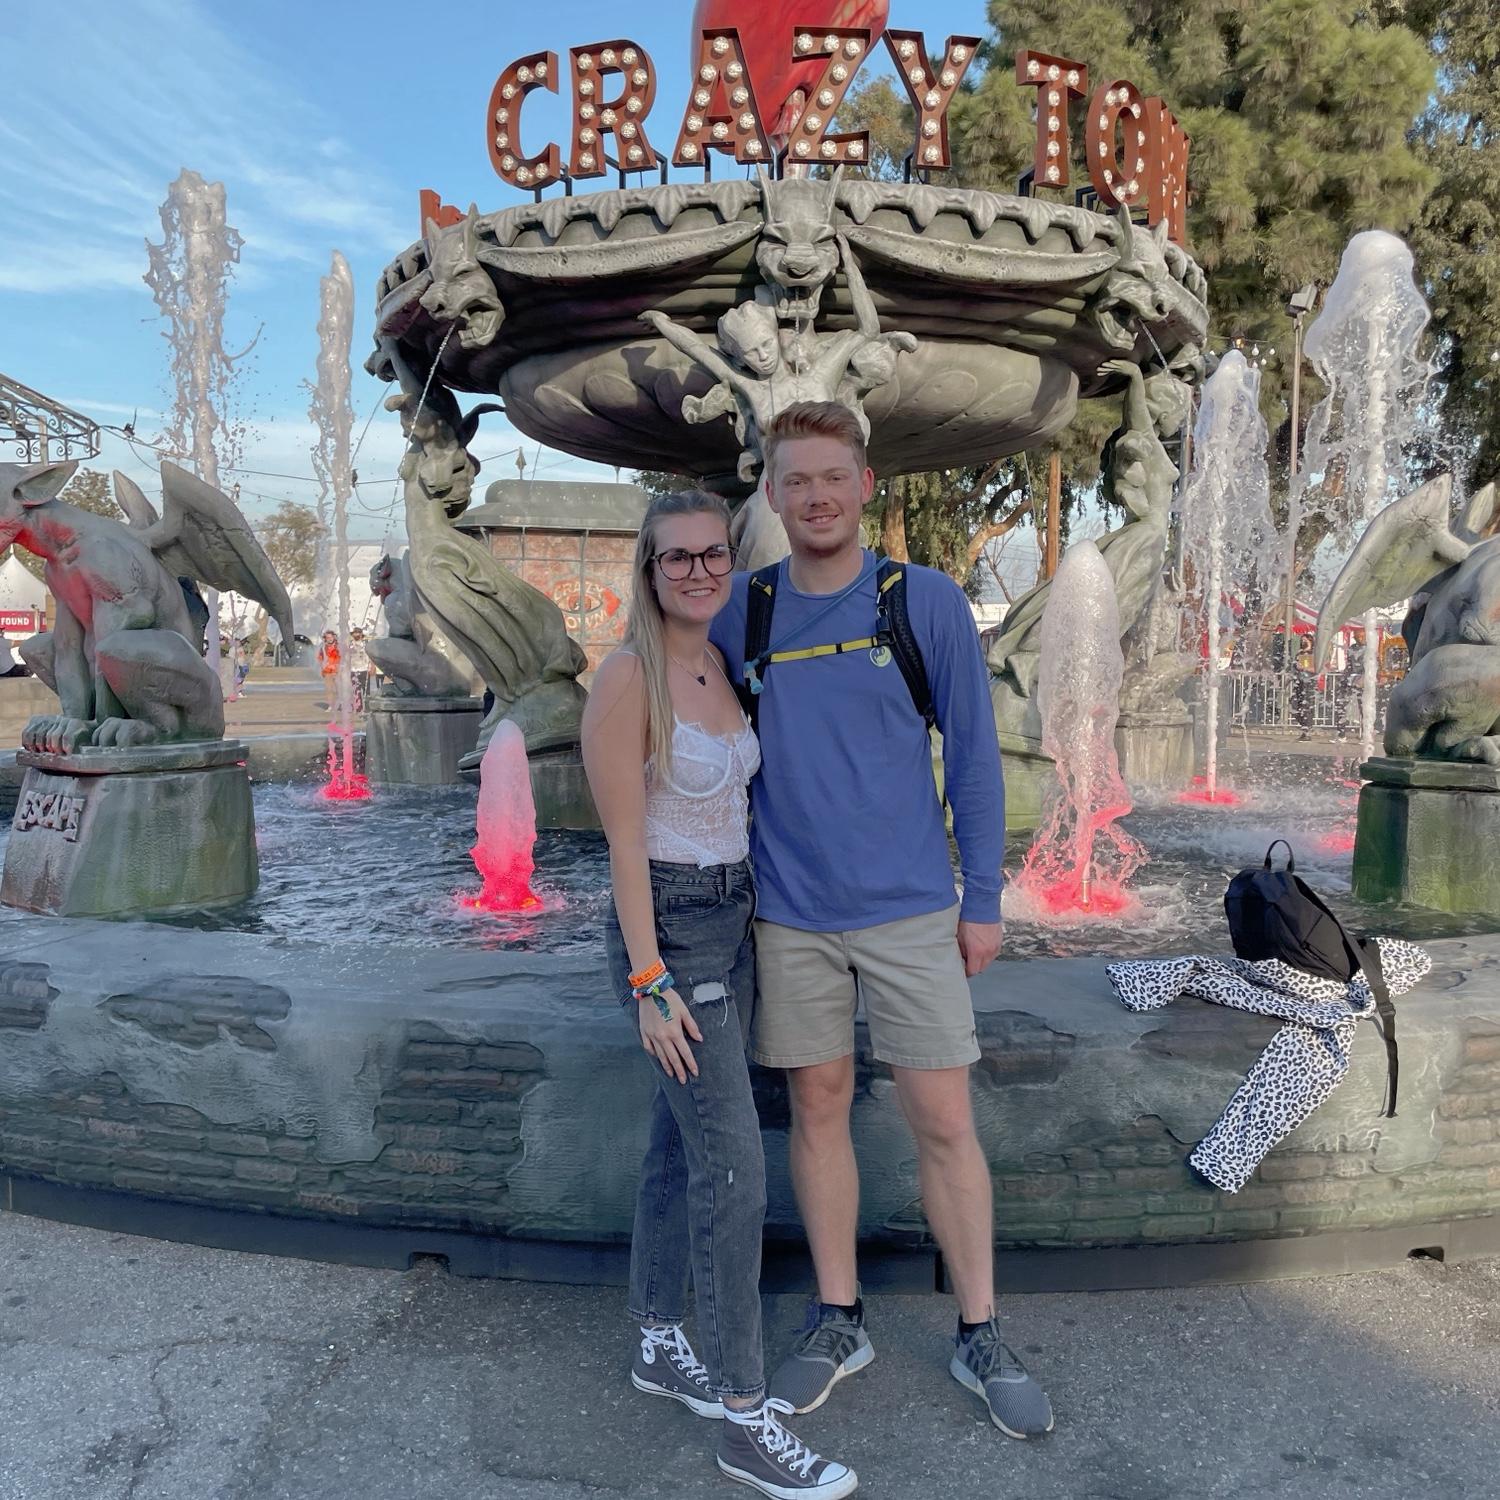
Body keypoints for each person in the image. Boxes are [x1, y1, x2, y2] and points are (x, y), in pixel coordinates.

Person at [709, 401, 1054, 1440]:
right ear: (772, 495)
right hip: (789, 914)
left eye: (833, 477)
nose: (815, 496)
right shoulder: (743, 612)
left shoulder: (923, 601)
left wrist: (982, 899)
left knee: (943, 1120)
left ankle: (980, 1329)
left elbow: (977, 760)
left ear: (864, 486)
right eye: (796, 480)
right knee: (816, 1108)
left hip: (910, 912)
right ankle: (838, 1317)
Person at [581, 489, 856, 1499]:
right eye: (677, 557)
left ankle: (660, 1338)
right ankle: (746, 1416)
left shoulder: (722, 665)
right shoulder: (628, 678)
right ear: (649, 570)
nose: (697, 571)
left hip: (735, 921)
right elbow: (623, 845)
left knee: (678, 1143)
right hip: (673, 931)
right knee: (734, 1171)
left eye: (711, 555)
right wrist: (648, 981)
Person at [316, 629, 340, 712]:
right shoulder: (323, 648)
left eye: (331, 637)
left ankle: (341, 704)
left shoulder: (339, 647)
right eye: (327, 637)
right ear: (325, 639)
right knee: (329, 690)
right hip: (327, 671)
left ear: (334, 637)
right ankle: (331, 705)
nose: (329, 639)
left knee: (339, 689)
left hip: (338, 671)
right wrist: (322, 668)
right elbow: (320, 659)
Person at [348, 627, 370, 712]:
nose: (356, 634)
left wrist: (371, 666)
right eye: (354, 633)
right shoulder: (350, 644)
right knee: (355, 690)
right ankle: (358, 707)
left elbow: (370, 656)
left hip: (364, 669)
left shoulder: (365, 644)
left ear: (361, 634)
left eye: (358, 633)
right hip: (353, 670)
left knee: (366, 690)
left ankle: (367, 707)